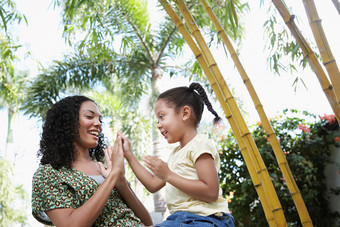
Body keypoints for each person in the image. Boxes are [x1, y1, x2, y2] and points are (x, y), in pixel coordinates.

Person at [120, 82, 235, 226]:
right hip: (180, 220)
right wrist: (129, 155)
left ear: (185, 113)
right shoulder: (176, 154)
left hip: (206, 219)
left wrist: (168, 175)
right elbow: (153, 184)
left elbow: (211, 192)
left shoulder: (200, 144)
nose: (158, 124)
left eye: (162, 117)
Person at [31, 95, 153, 227]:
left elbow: (147, 222)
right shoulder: (48, 174)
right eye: (89, 117)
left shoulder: (104, 169)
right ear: (68, 123)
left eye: (100, 119)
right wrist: (113, 177)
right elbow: (70, 225)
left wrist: (120, 180)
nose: (98, 123)